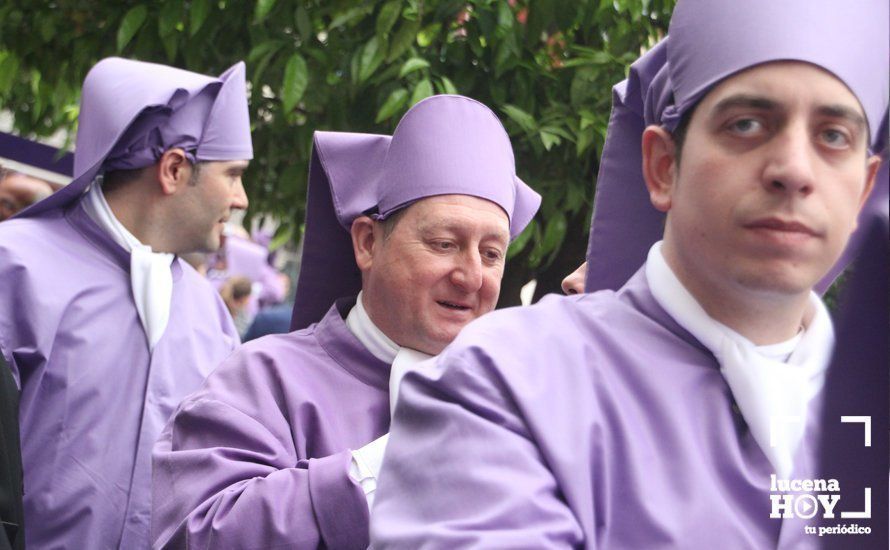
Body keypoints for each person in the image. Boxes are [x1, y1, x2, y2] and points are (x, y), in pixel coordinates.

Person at [370, 1, 886, 547]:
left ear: (865, 189)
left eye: (833, 136)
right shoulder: (500, 383)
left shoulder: (874, 407)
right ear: (663, 167)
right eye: (747, 124)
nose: (794, 170)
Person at [151, 94, 541, 548]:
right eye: (443, 243)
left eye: (491, 254)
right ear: (368, 243)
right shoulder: (262, 380)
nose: (472, 275)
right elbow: (196, 533)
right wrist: (385, 465)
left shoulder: (517, 408)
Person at [0, 57, 252, 548]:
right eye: (234, 174)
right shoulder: (13, 267)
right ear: (174, 169)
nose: (241, 199)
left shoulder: (211, 314)